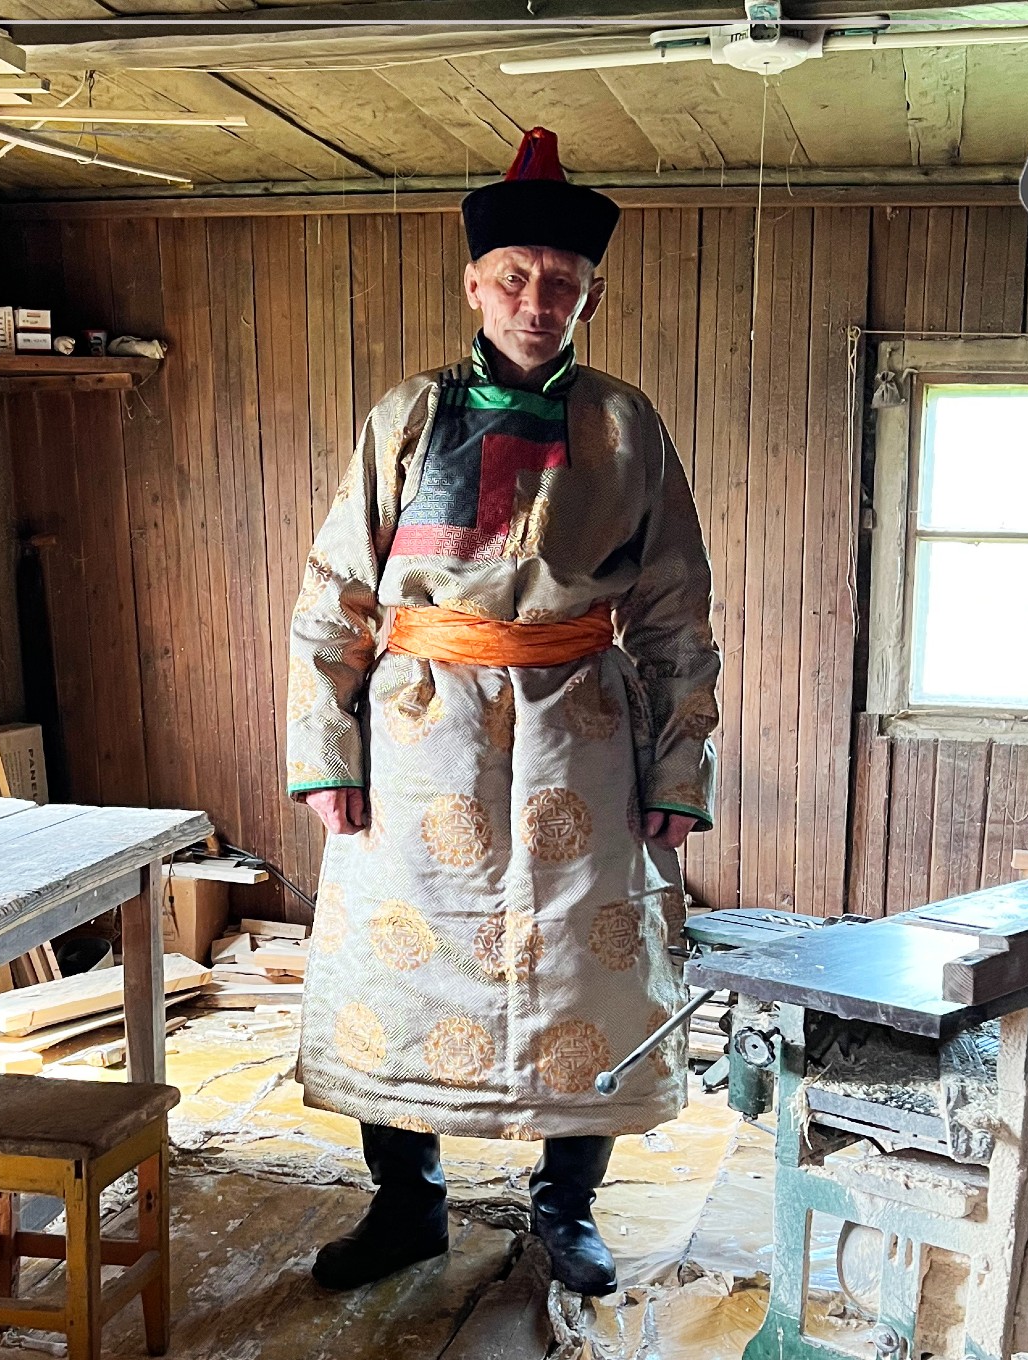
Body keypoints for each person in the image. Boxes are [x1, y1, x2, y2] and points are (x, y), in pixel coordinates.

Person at [284, 126, 722, 1299]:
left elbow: (675, 609)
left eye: (562, 284)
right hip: (419, 732)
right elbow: (335, 596)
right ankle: (405, 1205)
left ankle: (565, 1206)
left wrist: (679, 769)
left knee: (587, 967)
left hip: (584, 733)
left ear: (590, 298)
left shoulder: (625, 426)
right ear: (475, 286)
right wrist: (328, 754)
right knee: (401, 966)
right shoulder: (407, 417)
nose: (538, 301)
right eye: (515, 278)